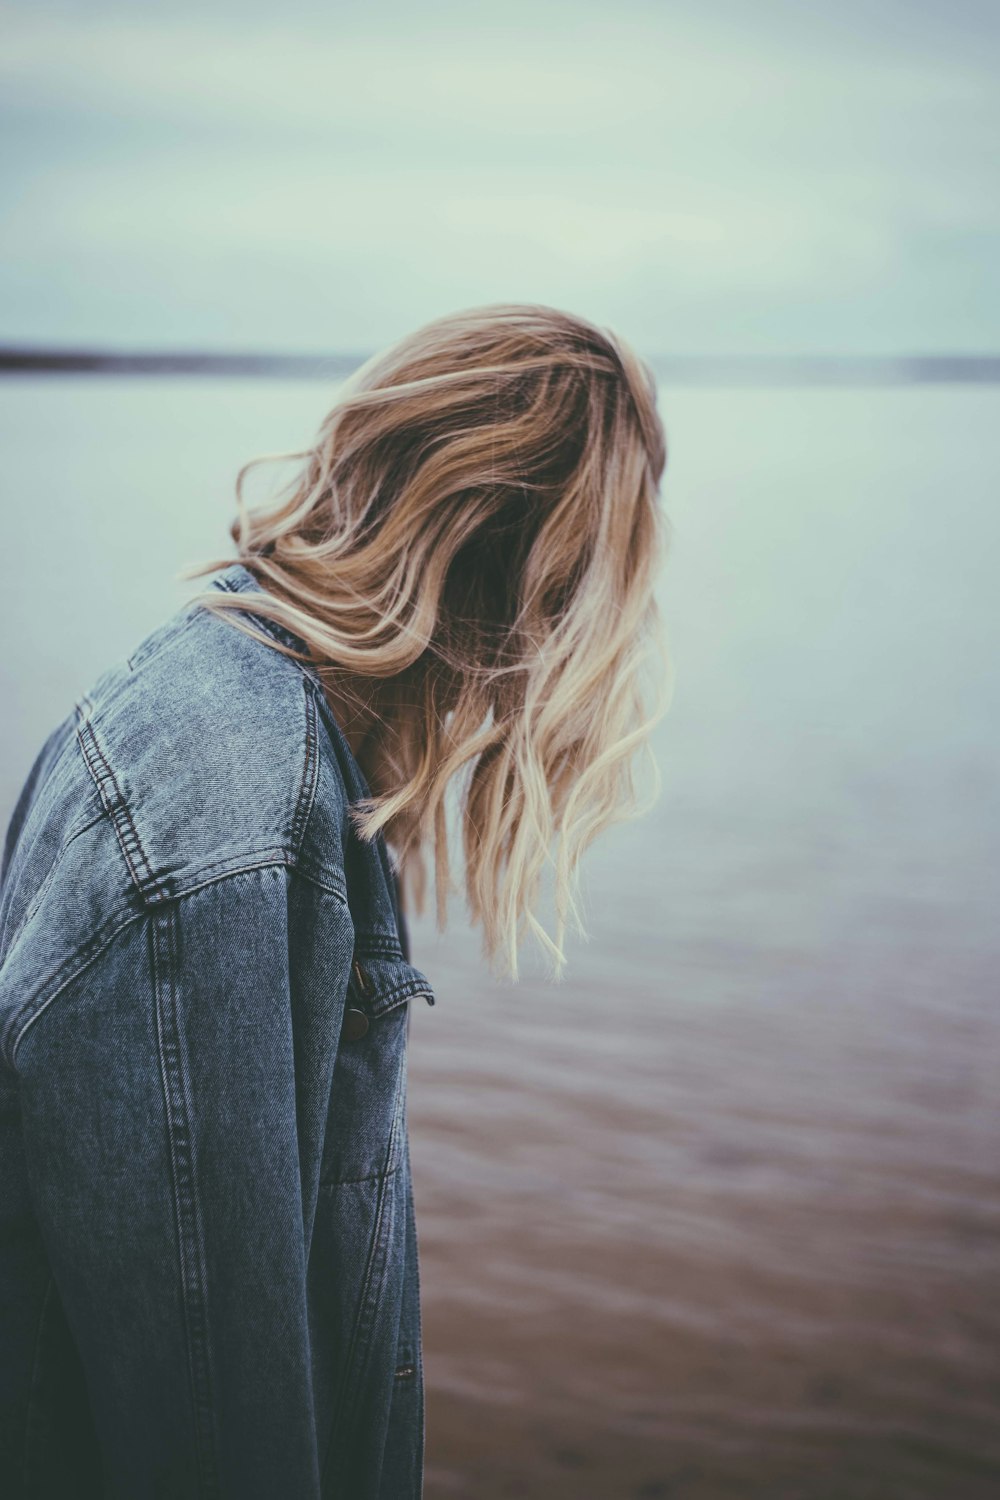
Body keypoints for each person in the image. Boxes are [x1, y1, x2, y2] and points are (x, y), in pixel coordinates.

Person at [0, 303, 671, 1498]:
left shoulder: (215, 687)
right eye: (598, 574)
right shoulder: (235, 832)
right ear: (524, 567)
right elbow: (212, 1433)